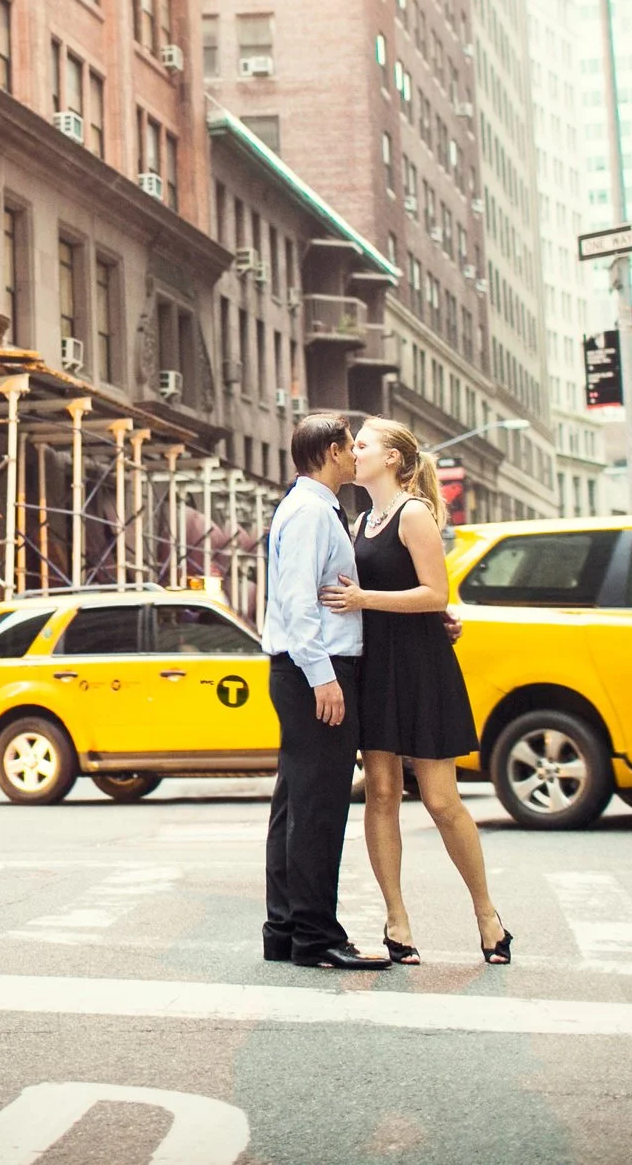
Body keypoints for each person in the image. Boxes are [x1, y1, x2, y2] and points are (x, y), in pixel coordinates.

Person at [325, 417, 514, 965]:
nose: (352, 453)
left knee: (439, 799)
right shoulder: (360, 522)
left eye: (362, 446)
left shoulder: (414, 514)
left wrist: (365, 600)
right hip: (375, 667)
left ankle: (486, 915)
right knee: (381, 795)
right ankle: (396, 919)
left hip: (421, 666)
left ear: (391, 459)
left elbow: (435, 594)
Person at [260, 413, 392, 971]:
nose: (355, 454)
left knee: (295, 803)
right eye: (350, 446)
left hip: (303, 669)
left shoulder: (309, 508)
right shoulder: (313, 512)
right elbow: (297, 601)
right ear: (333, 451)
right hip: (314, 669)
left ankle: (287, 930)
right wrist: (324, 678)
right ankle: (316, 937)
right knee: (318, 809)